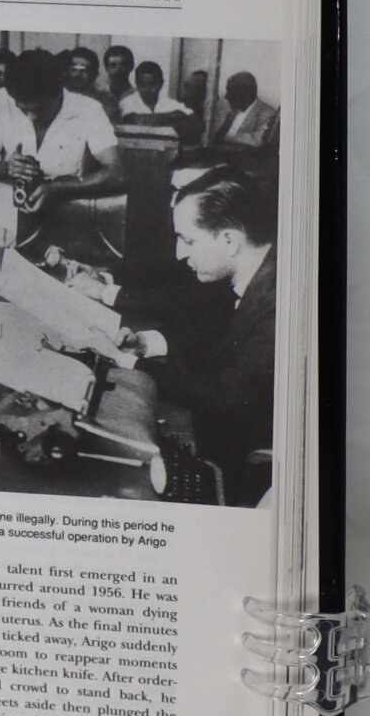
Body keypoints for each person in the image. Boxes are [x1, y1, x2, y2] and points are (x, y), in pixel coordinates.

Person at [117, 165, 276, 505]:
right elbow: (213, 338)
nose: (180, 253)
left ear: (229, 240)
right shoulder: (252, 275)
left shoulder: (278, 303)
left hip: (246, 468)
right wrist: (145, 344)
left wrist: (129, 364)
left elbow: (225, 395)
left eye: (188, 240)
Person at [0, 48, 121, 249]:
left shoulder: (88, 110)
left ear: (58, 92)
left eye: (38, 110)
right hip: (2, 220)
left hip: (61, 222)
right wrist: (6, 169)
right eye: (22, 109)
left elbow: (116, 172)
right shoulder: (1, 100)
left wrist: (57, 188)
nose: (30, 117)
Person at [118, 60, 200, 145]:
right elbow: (136, 121)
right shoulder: (128, 102)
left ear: (161, 84)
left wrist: (156, 120)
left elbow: (197, 124)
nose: (148, 89)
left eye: (153, 84)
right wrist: (171, 117)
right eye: (143, 84)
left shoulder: (169, 103)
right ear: (136, 84)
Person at [210, 71, 280, 152]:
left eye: (231, 92)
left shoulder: (267, 113)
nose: (226, 97)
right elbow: (217, 140)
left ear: (246, 95)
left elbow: (258, 141)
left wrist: (229, 137)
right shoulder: (232, 113)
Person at [66, 46, 120, 121]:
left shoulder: (105, 101)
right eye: (73, 69)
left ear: (95, 74)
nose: (78, 74)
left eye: (84, 70)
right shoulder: (58, 99)